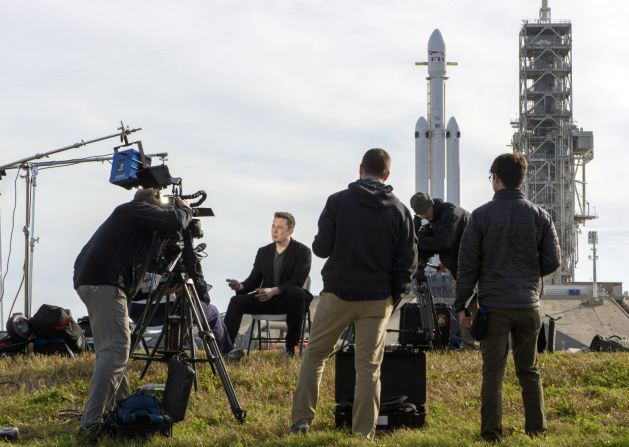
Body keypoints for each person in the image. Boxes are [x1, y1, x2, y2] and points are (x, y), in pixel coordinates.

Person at [291, 148, 417, 439]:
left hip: (338, 293)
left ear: (360, 168)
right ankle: (363, 434)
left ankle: (301, 421)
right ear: (387, 174)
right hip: (377, 299)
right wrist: (391, 298)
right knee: (368, 369)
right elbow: (407, 264)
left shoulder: (337, 202)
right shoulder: (400, 211)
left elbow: (322, 248)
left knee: (316, 356)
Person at [454, 153, 561, 442]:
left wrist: (461, 305)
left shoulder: (480, 216)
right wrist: (527, 271)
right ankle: (537, 431)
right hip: (528, 305)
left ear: (496, 179)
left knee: (493, 373)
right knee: (529, 370)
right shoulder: (540, 215)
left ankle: (491, 433)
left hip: (494, 307)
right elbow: (553, 261)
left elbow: (468, 266)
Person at [73, 188, 193, 435]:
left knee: (118, 348)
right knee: (115, 351)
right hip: (104, 283)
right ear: (152, 206)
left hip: (99, 282)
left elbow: (137, 279)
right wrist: (185, 209)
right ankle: (92, 422)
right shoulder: (132, 209)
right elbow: (173, 221)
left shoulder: (132, 225)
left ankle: (120, 411)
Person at [224, 212, 312, 357]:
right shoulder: (263, 252)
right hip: (266, 300)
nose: (274, 230)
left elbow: (297, 281)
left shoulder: (302, 251)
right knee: (236, 301)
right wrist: (240, 286)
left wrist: (273, 290)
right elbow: (254, 279)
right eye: (273, 226)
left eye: (280, 227)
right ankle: (225, 349)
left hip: (289, 302)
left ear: (290, 230)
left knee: (297, 293)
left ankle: (290, 349)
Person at [410, 191, 469, 279]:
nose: (423, 216)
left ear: (431, 204)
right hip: (462, 264)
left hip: (470, 263)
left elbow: (444, 241)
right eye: (420, 214)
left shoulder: (450, 213)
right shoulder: (437, 217)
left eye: (424, 211)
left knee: (465, 291)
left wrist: (420, 242)